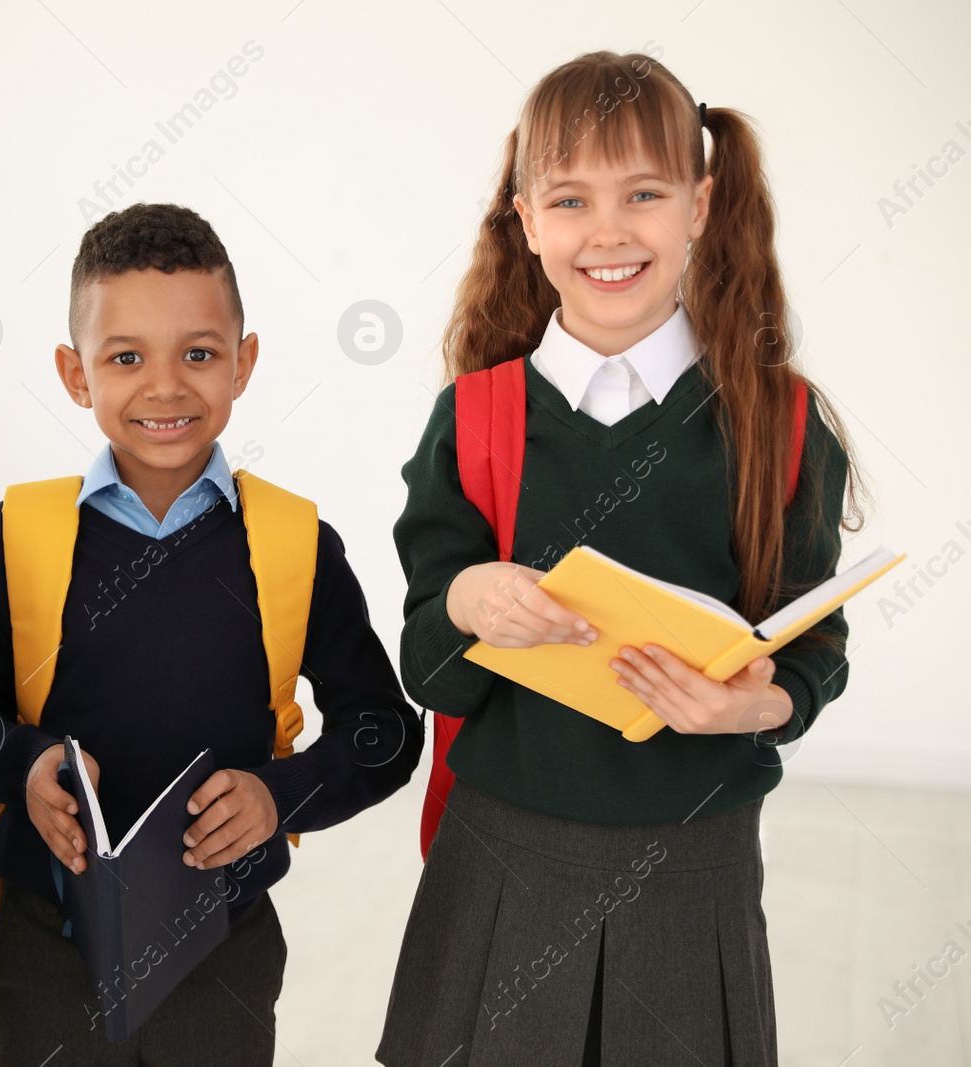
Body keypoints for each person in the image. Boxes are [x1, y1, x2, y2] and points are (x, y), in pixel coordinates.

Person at [378, 52, 865, 1066]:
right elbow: (425, 667)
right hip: (501, 855)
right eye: (569, 198)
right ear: (525, 217)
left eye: (643, 193)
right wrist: (468, 598)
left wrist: (757, 704)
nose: (607, 231)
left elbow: (814, 646)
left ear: (699, 204)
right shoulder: (474, 421)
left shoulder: (778, 423)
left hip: (695, 863)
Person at [0, 202, 422, 1064]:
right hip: (46, 943)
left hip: (221, 947)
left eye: (199, 353)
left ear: (244, 363)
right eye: (126, 358)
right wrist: (23, 761)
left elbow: (383, 731)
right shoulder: (13, 537)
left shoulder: (294, 543)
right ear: (75, 374)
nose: (166, 386)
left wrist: (283, 794)